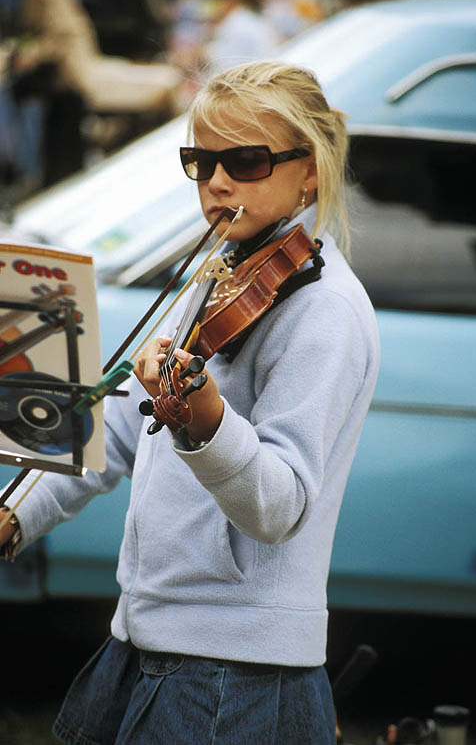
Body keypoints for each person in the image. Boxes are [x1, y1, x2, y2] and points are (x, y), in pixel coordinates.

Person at [0, 60, 380, 744]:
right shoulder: (218, 272)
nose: (218, 183)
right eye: (200, 163)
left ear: (311, 171)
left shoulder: (324, 312)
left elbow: (278, 505)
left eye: (246, 160)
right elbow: (113, 429)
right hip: (147, 633)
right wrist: (13, 516)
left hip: (235, 666)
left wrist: (203, 420)